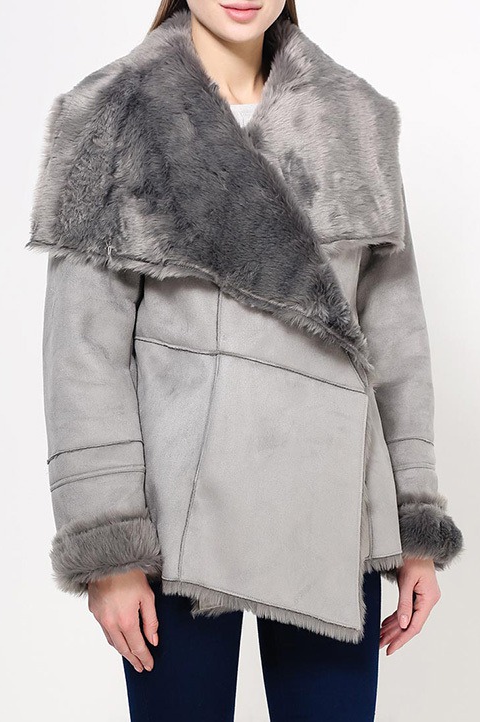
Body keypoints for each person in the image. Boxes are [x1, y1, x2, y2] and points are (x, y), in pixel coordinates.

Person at [26, 1, 465, 720]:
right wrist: (108, 551)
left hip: (331, 516)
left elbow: (396, 337)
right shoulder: (113, 113)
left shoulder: (353, 118)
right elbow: (83, 355)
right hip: (174, 528)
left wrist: (415, 525)